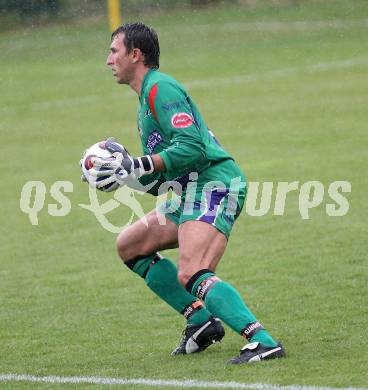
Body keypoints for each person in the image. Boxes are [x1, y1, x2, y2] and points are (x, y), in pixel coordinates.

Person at [89, 22, 285, 364]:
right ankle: (199, 320)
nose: (109, 60)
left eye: (113, 51)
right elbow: (162, 178)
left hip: (215, 184)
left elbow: (192, 147)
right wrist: (126, 174)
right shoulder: (144, 103)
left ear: (136, 55)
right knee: (131, 245)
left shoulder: (159, 89)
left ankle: (262, 341)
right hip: (192, 190)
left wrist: (140, 163)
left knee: (192, 269)